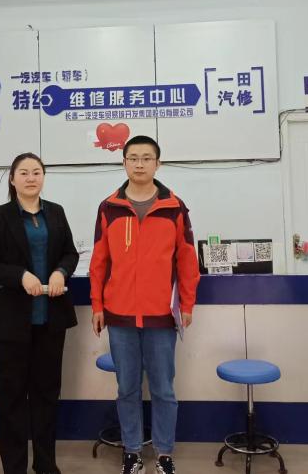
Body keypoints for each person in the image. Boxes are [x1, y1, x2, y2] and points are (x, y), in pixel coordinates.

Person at [89, 135, 200, 474]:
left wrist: (187, 304)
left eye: (146, 158)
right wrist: (97, 305)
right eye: (133, 158)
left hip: (161, 316)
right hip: (119, 316)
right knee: (127, 389)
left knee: (164, 389)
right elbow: (99, 262)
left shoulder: (174, 207)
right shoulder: (109, 207)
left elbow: (187, 260)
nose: (139, 164)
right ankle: (133, 452)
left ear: (157, 163)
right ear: (124, 162)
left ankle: (164, 454)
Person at [0, 152, 79, 474]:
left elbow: (70, 253)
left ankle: (46, 465)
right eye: (24, 172)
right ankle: (15, 467)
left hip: (50, 319)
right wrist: (20, 275)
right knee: (12, 399)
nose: (31, 178)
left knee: (47, 396)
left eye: (36, 172)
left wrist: (61, 271)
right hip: (11, 322)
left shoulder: (56, 212)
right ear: (12, 179)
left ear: (43, 177)